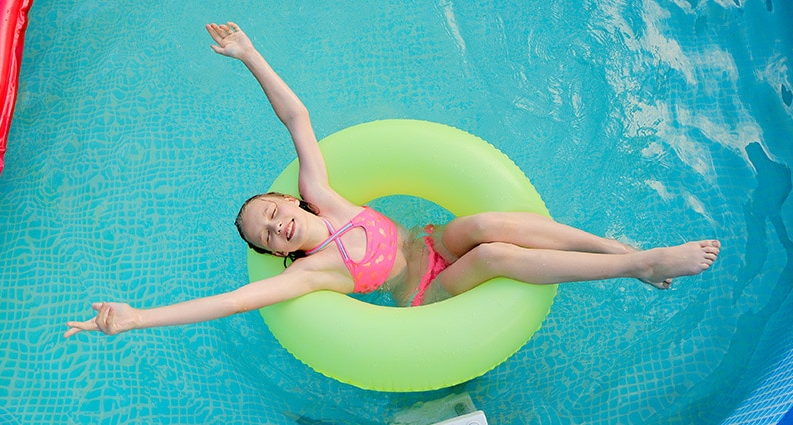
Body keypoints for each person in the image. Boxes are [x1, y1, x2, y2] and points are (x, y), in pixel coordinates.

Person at [64, 22, 721, 338]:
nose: (274, 222)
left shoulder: (322, 195)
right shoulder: (311, 270)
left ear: (288, 198)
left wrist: (250, 55)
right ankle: (639, 263)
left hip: (430, 240)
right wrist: (136, 317)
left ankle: (619, 251)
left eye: (269, 210)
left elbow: (298, 117)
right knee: (492, 253)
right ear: (281, 250)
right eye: (267, 234)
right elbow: (232, 302)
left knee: (487, 225)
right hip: (425, 290)